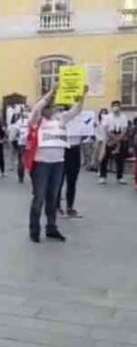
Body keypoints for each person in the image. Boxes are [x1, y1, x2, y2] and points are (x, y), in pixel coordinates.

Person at [26, 84, 87, 243]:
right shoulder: (36, 120)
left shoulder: (60, 119)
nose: (50, 109)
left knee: (52, 198)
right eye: (48, 106)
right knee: (39, 197)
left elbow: (76, 110)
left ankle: (51, 228)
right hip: (41, 164)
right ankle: (34, 230)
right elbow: (37, 108)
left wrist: (83, 95)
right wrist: (51, 92)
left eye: (52, 106)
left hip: (58, 163)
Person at [99, 101, 129, 185]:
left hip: (119, 137)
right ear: (111, 107)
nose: (116, 107)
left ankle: (120, 177)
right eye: (114, 106)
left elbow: (124, 130)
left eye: (118, 106)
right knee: (105, 158)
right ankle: (103, 176)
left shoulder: (123, 117)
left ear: (120, 107)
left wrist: (117, 140)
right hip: (109, 138)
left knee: (120, 159)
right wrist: (112, 139)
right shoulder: (107, 117)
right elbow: (106, 129)